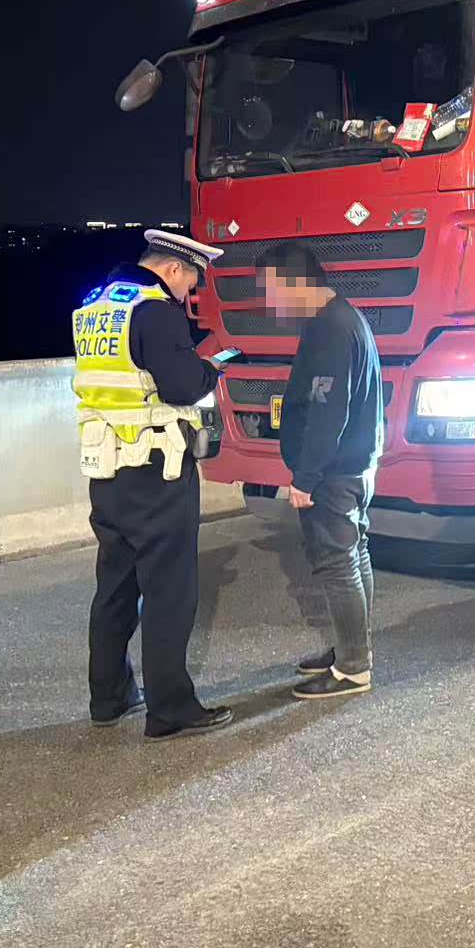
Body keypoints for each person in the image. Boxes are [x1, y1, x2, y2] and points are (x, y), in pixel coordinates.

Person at [72, 229, 234, 740]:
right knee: (168, 590)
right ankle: (170, 709)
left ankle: (109, 697)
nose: (189, 295)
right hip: (156, 469)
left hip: (107, 470)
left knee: (115, 587)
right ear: (173, 268)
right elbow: (182, 385)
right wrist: (210, 370)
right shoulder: (155, 310)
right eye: (190, 283)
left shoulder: (96, 305)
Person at [262, 242, 385, 699]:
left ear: (297, 283)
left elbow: (328, 408)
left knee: (338, 563)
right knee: (355, 554)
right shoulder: (342, 318)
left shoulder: (331, 328)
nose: (270, 302)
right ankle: (353, 649)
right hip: (355, 461)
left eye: (272, 290)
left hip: (333, 470)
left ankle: (353, 668)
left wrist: (306, 477)